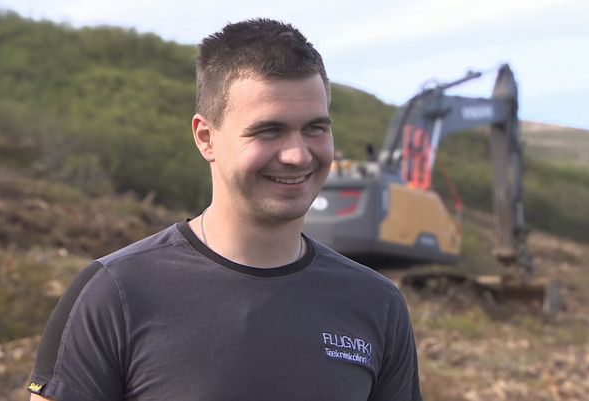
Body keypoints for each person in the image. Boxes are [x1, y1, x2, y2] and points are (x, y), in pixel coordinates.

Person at [28, 18, 422, 401]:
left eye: (315, 128)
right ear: (206, 138)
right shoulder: (115, 294)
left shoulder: (377, 304)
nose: (298, 154)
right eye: (269, 130)